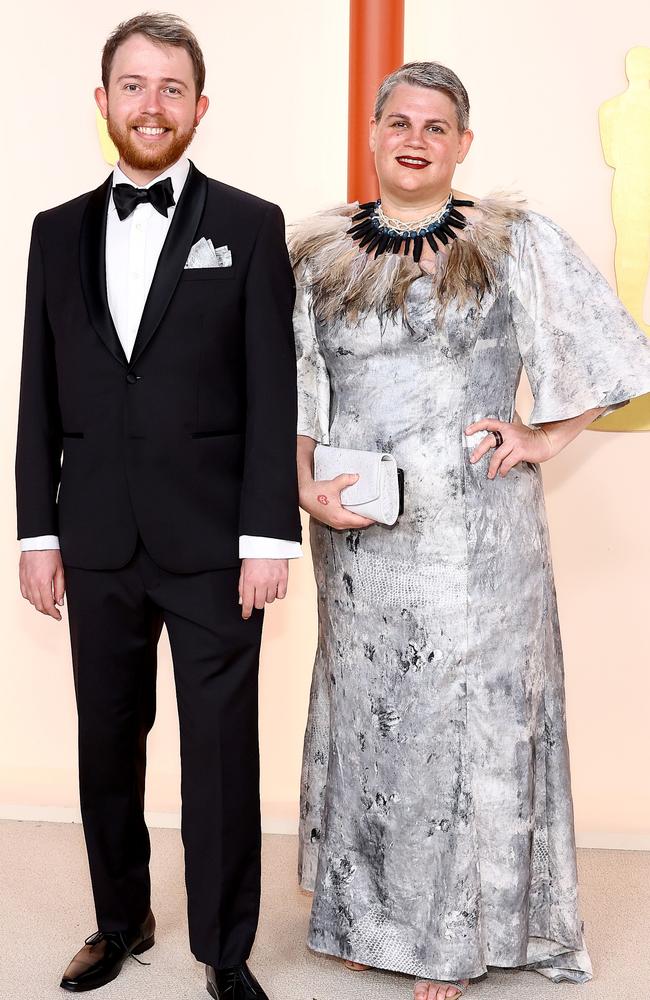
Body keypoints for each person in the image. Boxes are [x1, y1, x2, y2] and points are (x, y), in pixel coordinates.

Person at [291, 62, 650, 1000]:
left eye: (438, 125)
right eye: (400, 121)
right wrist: (304, 488)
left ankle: (455, 937)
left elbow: (613, 353)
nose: (417, 137)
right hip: (360, 536)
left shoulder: (511, 240)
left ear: (462, 143)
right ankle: (369, 920)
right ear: (373, 133)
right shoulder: (318, 252)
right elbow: (296, 386)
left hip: (479, 539)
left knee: (466, 724)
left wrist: (541, 436)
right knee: (375, 725)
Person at [16, 13, 300, 999]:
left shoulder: (251, 225)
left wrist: (269, 536)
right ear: (102, 102)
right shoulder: (52, 233)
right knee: (105, 742)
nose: (151, 105)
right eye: (132, 86)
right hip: (92, 537)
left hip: (217, 543)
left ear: (199, 107)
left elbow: (274, 392)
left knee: (219, 756)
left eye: (171, 88)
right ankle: (117, 918)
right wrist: (36, 529)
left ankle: (223, 951)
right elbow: (37, 395)